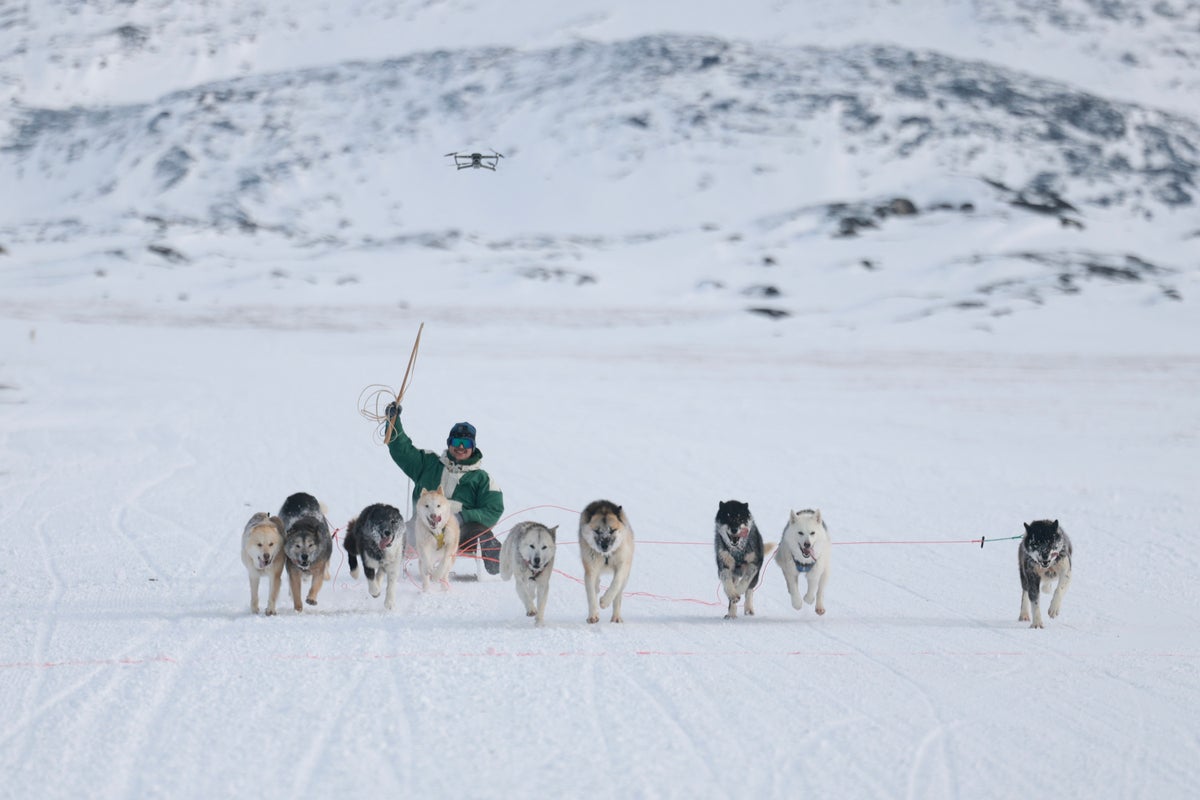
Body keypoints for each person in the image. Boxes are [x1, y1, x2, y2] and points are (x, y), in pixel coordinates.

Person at [384, 404, 503, 574]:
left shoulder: (482, 479)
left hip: (461, 533)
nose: (460, 446)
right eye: (456, 441)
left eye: (466, 442)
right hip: (422, 528)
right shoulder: (428, 463)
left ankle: (498, 570)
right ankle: (387, 567)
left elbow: (493, 509)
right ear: (449, 443)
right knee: (397, 531)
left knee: (482, 533)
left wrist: (464, 517)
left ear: (473, 446)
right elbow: (401, 450)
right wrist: (393, 421)